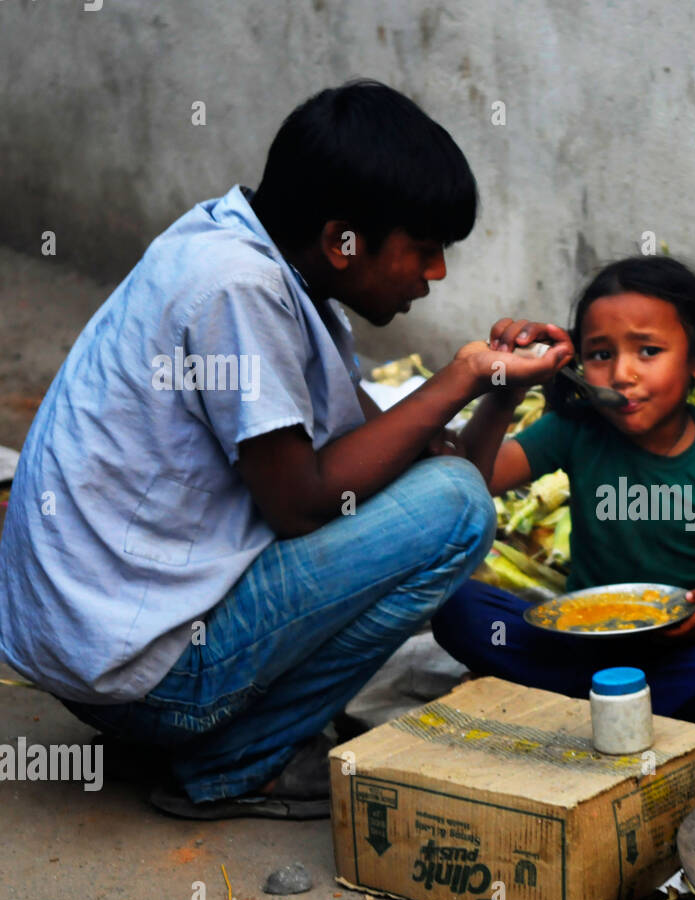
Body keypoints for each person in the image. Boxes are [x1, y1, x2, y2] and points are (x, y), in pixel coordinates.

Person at [0, 81, 570, 818]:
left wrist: (495, 387)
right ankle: (239, 756)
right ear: (343, 240)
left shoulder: (252, 255)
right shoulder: (237, 289)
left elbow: (429, 458)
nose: (437, 276)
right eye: (423, 251)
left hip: (105, 661)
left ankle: (226, 730)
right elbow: (304, 504)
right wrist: (458, 373)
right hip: (147, 680)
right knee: (456, 510)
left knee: (446, 496)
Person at [433, 256, 695, 723]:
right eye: (601, 355)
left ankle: (590, 716)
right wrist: (505, 390)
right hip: (582, 650)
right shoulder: (574, 430)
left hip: (684, 653)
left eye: (648, 351)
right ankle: (616, 715)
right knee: (456, 606)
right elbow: (474, 481)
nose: (623, 374)